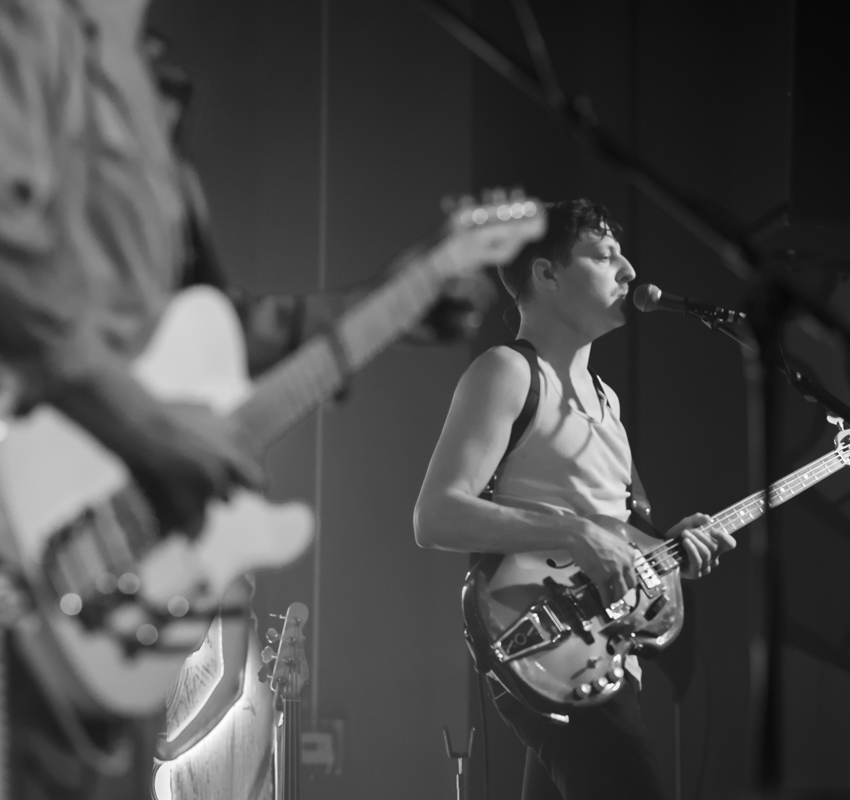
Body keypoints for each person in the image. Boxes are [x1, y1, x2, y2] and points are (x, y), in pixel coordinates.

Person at [0, 6, 488, 798]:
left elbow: (217, 324)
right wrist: (144, 426)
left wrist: (388, 302)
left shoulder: (145, 77)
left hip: (126, 540)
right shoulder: (35, 34)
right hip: (37, 495)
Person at [414, 199, 737, 799]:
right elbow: (435, 515)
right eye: (604, 254)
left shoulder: (608, 402)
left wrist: (669, 547)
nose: (629, 270)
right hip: (538, 640)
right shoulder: (508, 372)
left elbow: (614, 537)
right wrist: (573, 533)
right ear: (546, 273)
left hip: (604, 653)